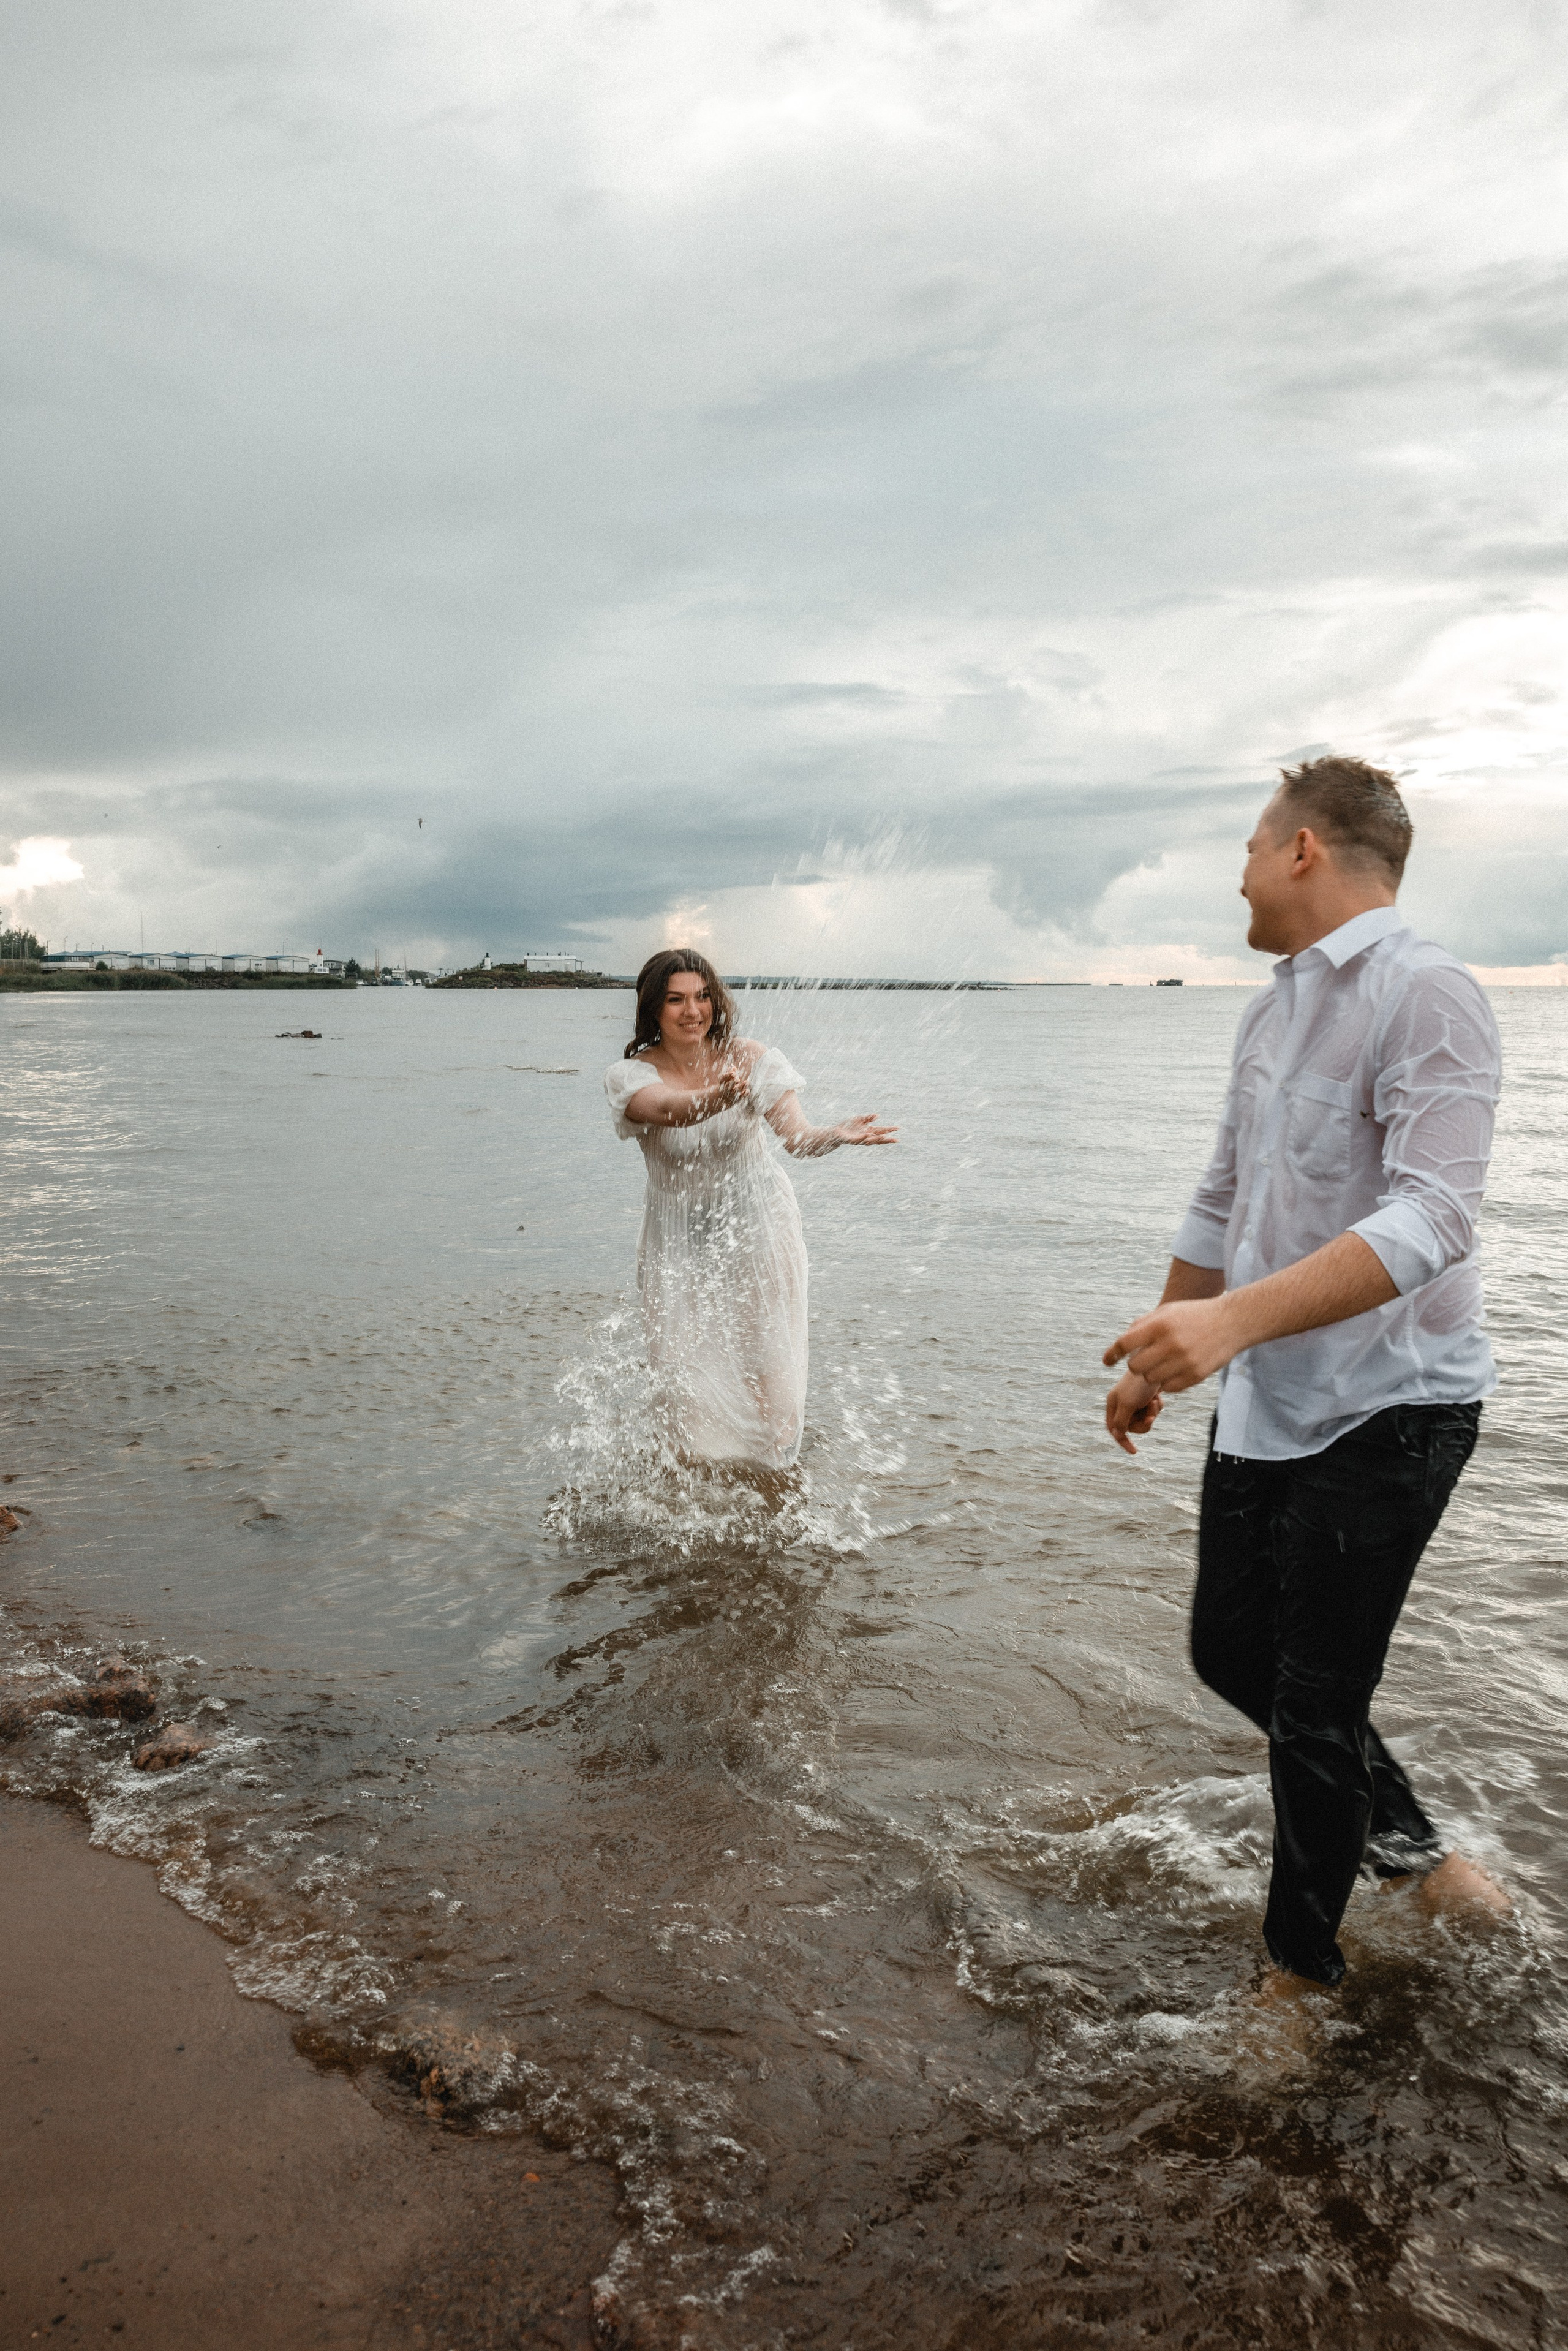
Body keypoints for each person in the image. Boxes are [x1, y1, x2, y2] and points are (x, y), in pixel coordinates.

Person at [1102, 755, 1509, 1993]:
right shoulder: (1267, 1008)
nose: (1235, 867)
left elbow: (1436, 1213)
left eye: (1247, 843)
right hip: (1270, 1395)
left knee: (1315, 1703)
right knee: (1228, 1649)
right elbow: (1225, 1193)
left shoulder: (1426, 991)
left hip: (1397, 1400)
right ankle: (1418, 1857)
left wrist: (1230, 1323)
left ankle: (1297, 1982)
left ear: (1299, 850)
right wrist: (1169, 1347)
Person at [604, 948, 896, 1470]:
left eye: (702, 997)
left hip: (759, 1226)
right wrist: (717, 1098)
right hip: (678, 1240)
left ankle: (772, 1481)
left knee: (769, 1374)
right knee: (682, 1380)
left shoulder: (749, 1057)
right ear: (653, 1010)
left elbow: (797, 1139)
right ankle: (689, 1496)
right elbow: (670, 1110)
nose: (693, 1011)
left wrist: (835, 1134)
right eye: (676, 1001)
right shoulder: (630, 1076)